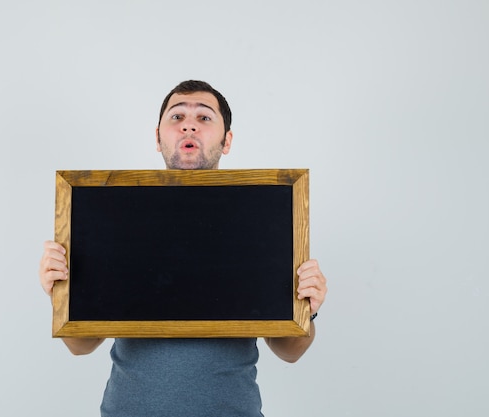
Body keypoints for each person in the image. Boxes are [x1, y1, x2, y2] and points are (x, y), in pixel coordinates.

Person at [39, 80, 328, 416]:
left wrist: (309, 307)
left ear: (227, 140)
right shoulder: (119, 220)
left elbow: (290, 350)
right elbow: (81, 345)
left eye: (204, 118)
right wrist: (61, 294)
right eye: (177, 117)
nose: (189, 124)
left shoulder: (262, 221)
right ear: (158, 139)